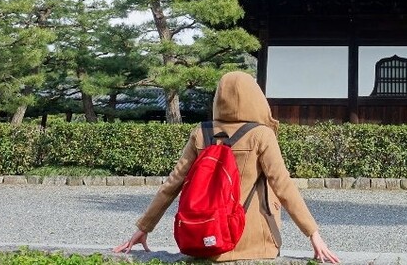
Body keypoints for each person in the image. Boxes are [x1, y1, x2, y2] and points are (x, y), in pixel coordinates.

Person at [114, 71, 340, 263]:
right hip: (253, 242)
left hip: (206, 237)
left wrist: (144, 228)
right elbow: (283, 186)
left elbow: (173, 183)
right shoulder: (261, 135)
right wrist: (313, 234)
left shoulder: (201, 133)